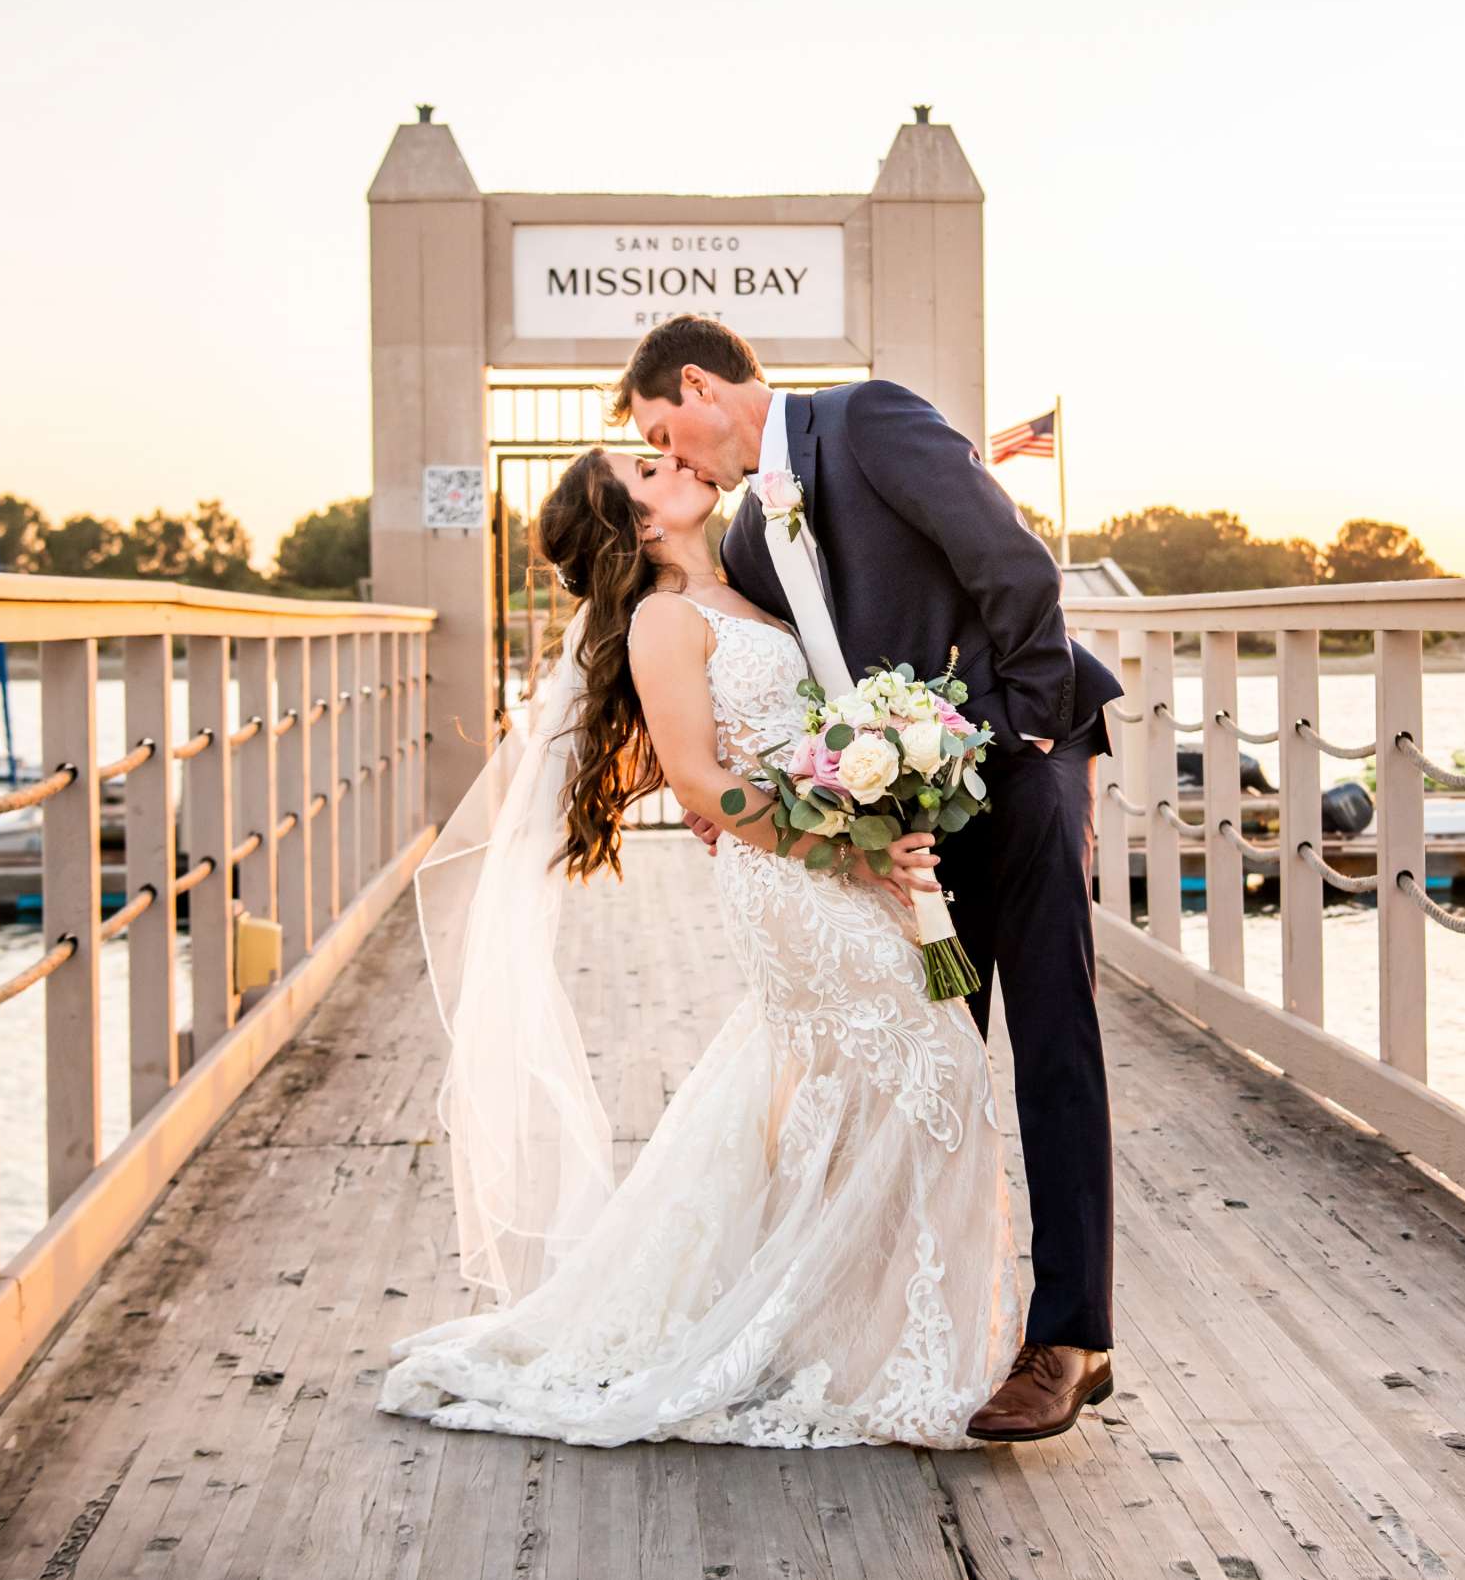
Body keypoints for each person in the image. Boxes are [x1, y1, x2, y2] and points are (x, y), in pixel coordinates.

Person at [377, 444, 1029, 1449]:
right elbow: (695, 780)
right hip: (791, 878)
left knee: (875, 1077)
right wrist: (846, 853)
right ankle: (857, 1345)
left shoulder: (752, 581)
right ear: (637, 524)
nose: (671, 460)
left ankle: (854, 1333)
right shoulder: (662, 619)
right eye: (645, 467)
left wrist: (882, 790)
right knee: (920, 1067)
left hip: (841, 861)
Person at [621, 318, 1122, 1441]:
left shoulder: (869, 418)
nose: (679, 459)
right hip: (899, 819)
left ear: (700, 384)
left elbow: (1013, 565)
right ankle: (930, 1333)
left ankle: (1072, 1339)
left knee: (1050, 1037)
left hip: (1026, 761)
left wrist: (1030, 737)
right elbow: (785, 692)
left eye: (667, 431)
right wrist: (741, 800)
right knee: (933, 1058)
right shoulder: (746, 540)